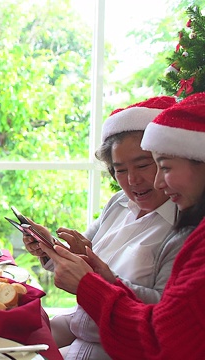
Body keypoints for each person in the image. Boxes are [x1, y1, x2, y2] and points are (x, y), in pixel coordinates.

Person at [22, 96, 190, 359]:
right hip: (81, 329)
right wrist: (49, 248)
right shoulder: (119, 203)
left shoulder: (185, 227)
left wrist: (97, 282)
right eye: (120, 170)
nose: (132, 180)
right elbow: (80, 261)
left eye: (143, 165)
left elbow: (164, 314)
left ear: (166, 159)